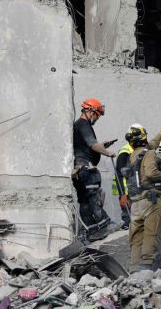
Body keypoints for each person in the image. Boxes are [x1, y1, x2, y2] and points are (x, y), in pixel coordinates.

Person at [124, 124, 161, 271]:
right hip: (150, 200)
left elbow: (152, 143)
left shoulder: (131, 156)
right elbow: (151, 172)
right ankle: (146, 268)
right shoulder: (149, 153)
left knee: (136, 237)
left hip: (135, 203)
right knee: (151, 233)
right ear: (144, 138)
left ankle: (135, 269)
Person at [72, 98, 115, 240]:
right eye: (97, 115)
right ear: (90, 112)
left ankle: (92, 231)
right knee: (94, 197)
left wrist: (102, 146)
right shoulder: (83, 124)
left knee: (84, 201)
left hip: (78, 170)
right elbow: (92, 144)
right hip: (85, 167)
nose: (97, 119)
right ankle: (105, 225)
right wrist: (107, 152)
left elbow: (87, 146)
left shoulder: (77, 125)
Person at [111, 124, 146, 230]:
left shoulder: (137, 149)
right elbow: (119, 174)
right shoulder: (126, 151)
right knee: (129, 219)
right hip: (126, 191)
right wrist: (123, 194)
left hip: (133, 189)